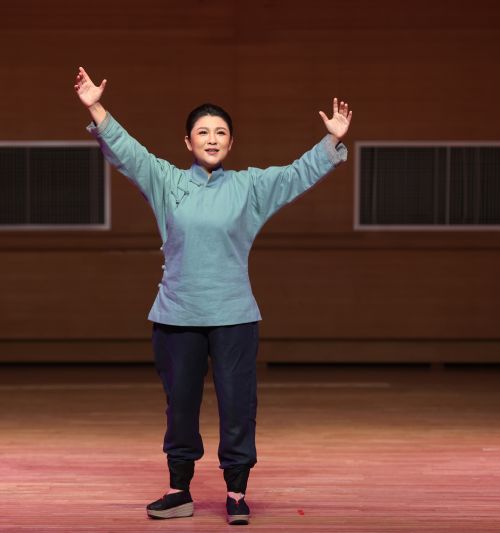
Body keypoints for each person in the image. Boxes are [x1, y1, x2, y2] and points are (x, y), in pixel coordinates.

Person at [74, 66, 351, 525]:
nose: (212, 138)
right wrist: (96, 107)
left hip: (234, 317)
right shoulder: (166, 181)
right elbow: (128, 152)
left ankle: (237, 493)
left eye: (220, 132)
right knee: (180, 407)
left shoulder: (248, 187)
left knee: (238, 406)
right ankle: (178, 490)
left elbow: (295, 175)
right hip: (176, 316)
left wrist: (331, 141)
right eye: (203, 132)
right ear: (187, 142)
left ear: (231, 142)